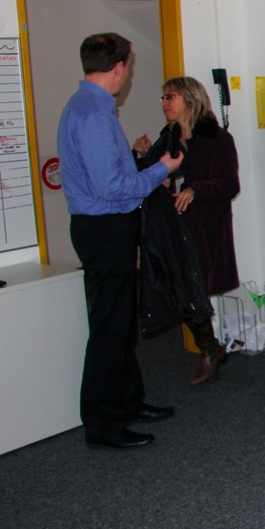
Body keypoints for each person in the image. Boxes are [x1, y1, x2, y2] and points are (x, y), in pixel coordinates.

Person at [57, 32, 183, 450]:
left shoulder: (86, 105)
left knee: (121, 323)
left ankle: (128, 402)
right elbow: (111, 187)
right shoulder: (93, 114)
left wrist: (137, 164)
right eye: (128, 66)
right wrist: (161, 169)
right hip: (104, 229)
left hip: (103, 227)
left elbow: (107, 173)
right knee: (110, 330)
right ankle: (103, 425)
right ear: (119, 67)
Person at [133, 77, 240, 385]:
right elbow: (146, 178)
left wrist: (195, 189)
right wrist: (139, 156)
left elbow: (230, 183)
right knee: (177, 287)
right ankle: (211, 348)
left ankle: (209, 349)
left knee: (191, 288)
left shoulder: (217, 138)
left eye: (171, 96)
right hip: (170, 226)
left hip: (202, 226)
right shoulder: (167, 136)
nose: (164, 102)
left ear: (190, 100)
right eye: (163, 97)